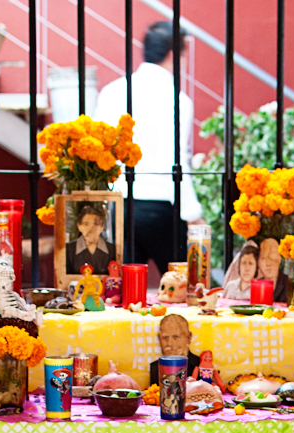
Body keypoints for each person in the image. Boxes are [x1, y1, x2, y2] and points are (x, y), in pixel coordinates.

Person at [93, 21, 202, 273]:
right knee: (183, 287)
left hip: (118, 203)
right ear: (174, 55)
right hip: (162, 207)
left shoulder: (112, 92)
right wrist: (193, 213)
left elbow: (101, 153)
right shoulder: (178, 100)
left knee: (122, 292)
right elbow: (179, 162)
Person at [148, 313, 201, 386]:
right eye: (165, 338)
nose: (169, 343)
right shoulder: (156, 368)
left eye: (176, 337)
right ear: (159, 338)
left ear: (188, 338)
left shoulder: (199, 364)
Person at [65, 203, 116, 275]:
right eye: (86, 224)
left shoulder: (112, 250)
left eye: (96, 224)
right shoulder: (68, 249)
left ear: (102, 227)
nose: (91, 229)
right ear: (79, 226)